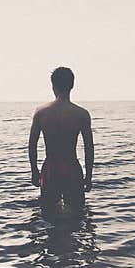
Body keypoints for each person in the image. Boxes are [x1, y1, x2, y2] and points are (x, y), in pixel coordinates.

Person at [28, 67, 94, 212]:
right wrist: (88, 176)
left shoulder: (41, 113)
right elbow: (89, 148)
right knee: (78, 212)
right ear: (72, 85)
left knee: (48, 212)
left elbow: (32, 145)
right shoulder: (81, 114)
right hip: (72, 167)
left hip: (51, 168)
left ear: (53, 86)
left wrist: (34, 171)